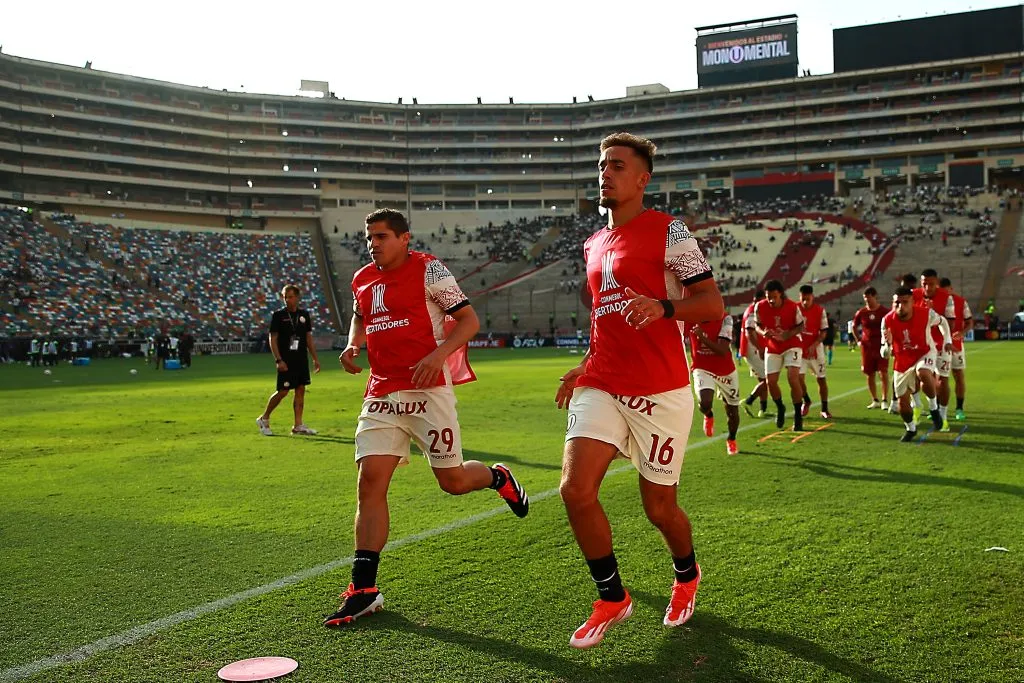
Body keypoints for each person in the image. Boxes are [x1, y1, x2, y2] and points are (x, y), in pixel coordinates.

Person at [555, 132, 723, 648]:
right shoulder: (592, 243)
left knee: (659, 509)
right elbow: (604, 318)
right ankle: (612, 597)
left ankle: (686, 574)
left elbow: (712, 304)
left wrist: (665, 307)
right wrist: (583, 365)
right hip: (602, 381)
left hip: (660, 390)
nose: (606, 173)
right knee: (575, 490)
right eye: (602, 164)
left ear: (642, 179)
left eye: (617, 166)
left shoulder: (670, 232)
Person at [325, 208, 528, 627]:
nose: (373, 244)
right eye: (369, 238)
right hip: (381, 391)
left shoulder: (430, 271)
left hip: (427, 390)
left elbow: (468, 321)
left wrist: (437, 357)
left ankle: (497, 477)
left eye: (381, 236)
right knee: (369, 483)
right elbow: (360, 317)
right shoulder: (362, 279)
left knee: (451, 482)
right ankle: (364, 589)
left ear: (404, 238)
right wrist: (352, 346)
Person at [881, 287, 948, 442]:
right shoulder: (887, 321)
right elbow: (884, 354)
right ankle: (911, 429)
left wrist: (947, 340)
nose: (900, 306)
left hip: (924, 352)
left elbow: (943, 321)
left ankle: (933, 408)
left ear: (912, 302)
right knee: (902, 404)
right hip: (903, 360)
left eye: (905, 302)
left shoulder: (925, 314)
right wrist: (888, 345)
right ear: (893, 303)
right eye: (897, 302)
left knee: (923, 372)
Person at [256, 285, 322, 436]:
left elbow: (308, 338)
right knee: (283, 391)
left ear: (298, 297)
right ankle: (264, 418)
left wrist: (315, 358)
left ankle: (298, 425)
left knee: (300, 390)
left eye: (291, 296)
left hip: (300, 359)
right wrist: (278, 360)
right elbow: (273, 339)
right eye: (285, 297)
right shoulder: (278, 315)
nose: (288, 300)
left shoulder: (304, 315)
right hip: (286, 360)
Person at [685, 313, 741, 455]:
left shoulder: (726, 319)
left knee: (733, 412)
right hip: (702, 367)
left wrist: (702, 337)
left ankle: (731, 439)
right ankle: (708, 414)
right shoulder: (690, 317)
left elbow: (722, 350)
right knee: (705, 403)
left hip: (725, 370)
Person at [753, 280, 806, 431]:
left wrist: (788, 334)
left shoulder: (792, 306)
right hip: (773, 346)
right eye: (768, 296)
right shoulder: (760, 306)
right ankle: (780, 407)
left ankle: (797, 415)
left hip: (792, 344)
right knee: (771, 382)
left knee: (792, 377)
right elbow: (757, 325)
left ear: (781, 294)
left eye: (774, 296)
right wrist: (764, 332)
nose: (771, 300)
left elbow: (801, 325)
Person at [913, 269, 952, 430]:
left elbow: (950, 321)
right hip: (921, 345)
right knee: (916, 377)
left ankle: (943, 416)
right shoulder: (913, 295)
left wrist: (948, 340)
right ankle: (917, 405)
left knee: (942, 380)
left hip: (942, 344)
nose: (927, 287)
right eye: (924, 284)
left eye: (931, 284)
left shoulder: (946, 297)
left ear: (936, 282)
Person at [796, 285, 831, 419]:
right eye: (803, 299)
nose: (805, 302)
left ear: (812, 297)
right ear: (800, 297)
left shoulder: (819, 311)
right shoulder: (795, 309)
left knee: (821, 379)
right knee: (798, 379)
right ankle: (806, 400)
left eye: (808, 299)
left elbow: (823, 332)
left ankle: (824, 408)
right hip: (799, 350)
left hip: (816, 351)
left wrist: (814, 344)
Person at [853, 287, 891, 410]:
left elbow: (892, 326)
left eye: (869, 298)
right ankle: (875, 399)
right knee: (869, 373)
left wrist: (889, 341)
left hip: (881, 346)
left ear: (875, 297)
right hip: (867, 347)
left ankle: (885, 399)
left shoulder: (884, 311)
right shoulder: (861, 312)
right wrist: (858, 340)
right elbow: (854, 326)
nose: (867, 301)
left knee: (883, 372)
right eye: (865, 299)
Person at [940, 278, 972, 421]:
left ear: (951, 289)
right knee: (939, 378)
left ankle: (959, 408)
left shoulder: (961, 301)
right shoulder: (936, 301)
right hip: (939, 345)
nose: (946, 293)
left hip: (956, 344)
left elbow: (969, 322)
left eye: (948, 290)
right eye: (943, 291)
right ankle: (939, 409)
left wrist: (962, 333)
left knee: (958, 375)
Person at [740, 289, 771, 418]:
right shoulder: (753, 311)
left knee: (763, 380)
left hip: (752, 349)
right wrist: (760, 348)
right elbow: (749, 332)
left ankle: (762, 410)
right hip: (753, 349)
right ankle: (748, 401)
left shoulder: (753, 310)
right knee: (769, 379)